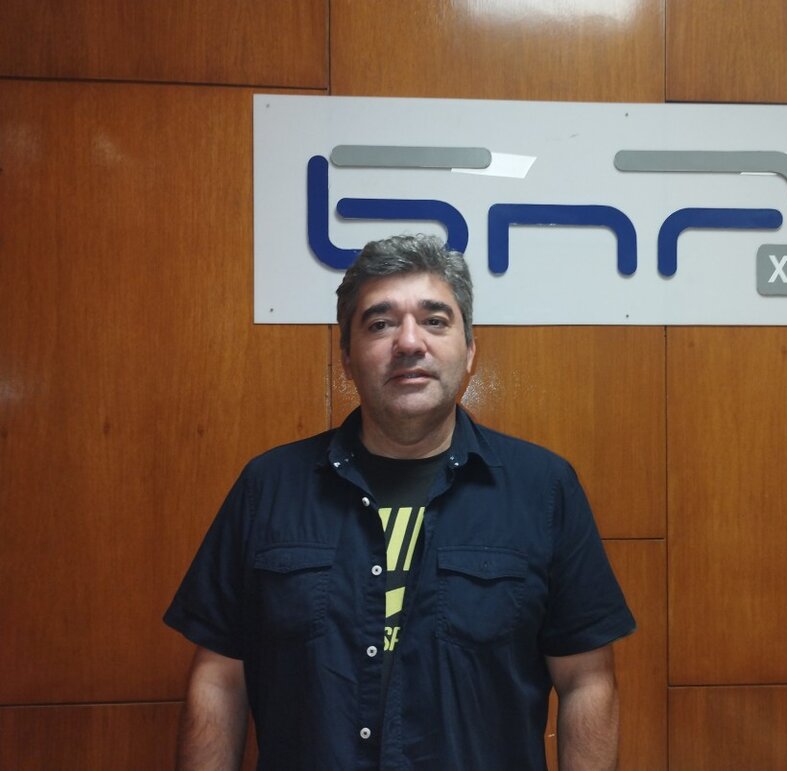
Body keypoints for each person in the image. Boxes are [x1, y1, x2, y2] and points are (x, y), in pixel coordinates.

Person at [164, 234, 636, 770]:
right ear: (346, 357)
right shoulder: (268, 488)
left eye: (434, 320)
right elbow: (220, 678)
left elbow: (586, 680)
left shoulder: (543, 489)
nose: (409, 342)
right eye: (380, 324)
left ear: (470, 350)